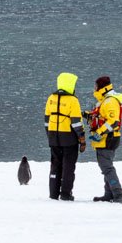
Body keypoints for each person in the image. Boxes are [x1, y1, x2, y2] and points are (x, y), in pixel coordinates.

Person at [44, 72, 86, 201]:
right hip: (69, 138)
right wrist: (82, 139)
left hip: (53, 137)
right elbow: (76, 122)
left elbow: (46, 121)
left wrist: (50, 136)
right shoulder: (73, 100)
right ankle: (66, 194)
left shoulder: (51, 98)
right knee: (68, 166)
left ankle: (53, 193)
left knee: (55, 165)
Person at [86, 76, 122, 203]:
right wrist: (88, 115)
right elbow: (102, 117)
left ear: (102, 87)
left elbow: (113, 122)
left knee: (107, 168)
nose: (94, 88)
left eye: (96, 86)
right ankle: (109, 194)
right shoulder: (105, 100)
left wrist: (99, 133)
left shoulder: (110, 101)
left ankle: (118, 195)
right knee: (106, 167)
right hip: (107, 138)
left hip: (108, 138)